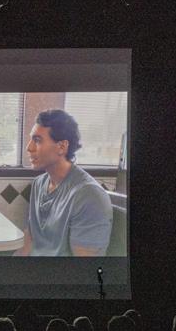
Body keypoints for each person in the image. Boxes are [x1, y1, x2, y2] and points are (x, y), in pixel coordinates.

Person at [14, 109, 113, 256]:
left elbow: (85, 266)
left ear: (62, 147)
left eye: (37, 140)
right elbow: (29, 241)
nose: (29, 148)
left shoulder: (89, 195)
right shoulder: (38, 184)